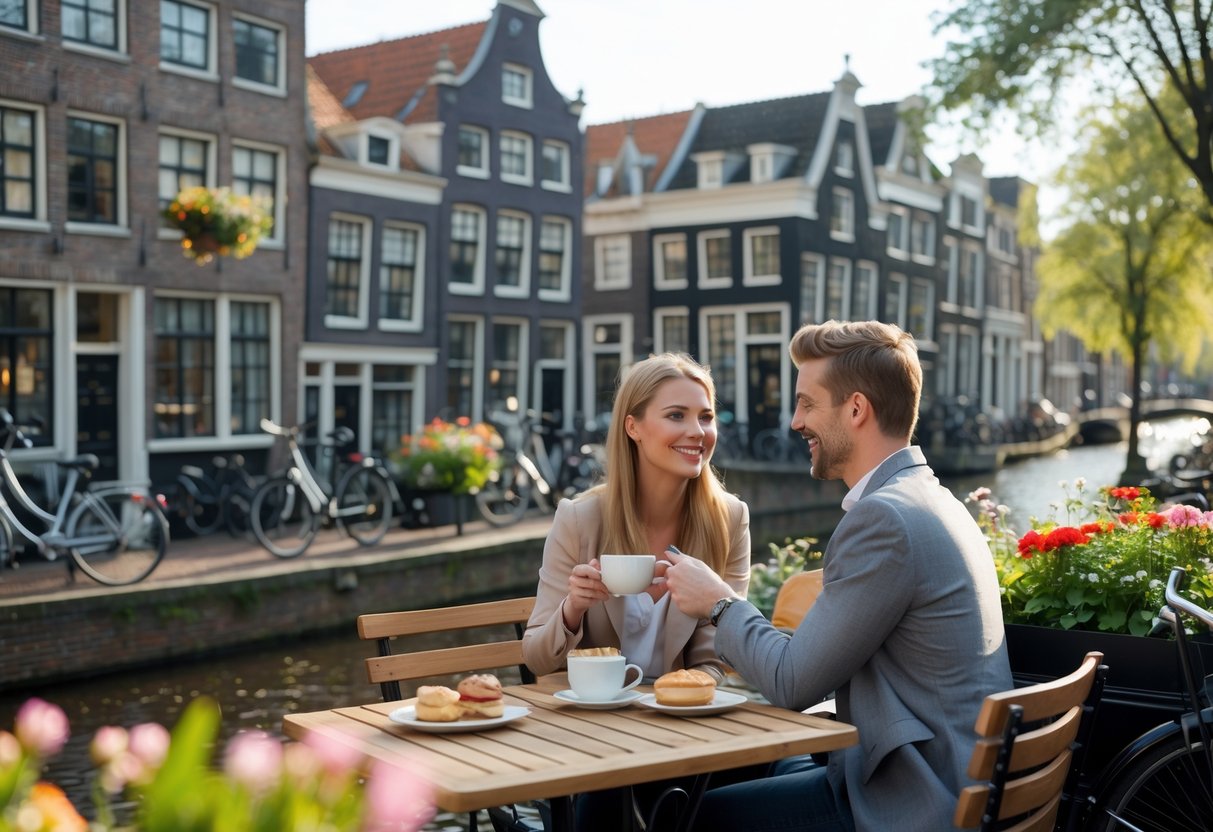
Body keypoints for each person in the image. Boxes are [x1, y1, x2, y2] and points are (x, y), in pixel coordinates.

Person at [662, 320, 1012, 832]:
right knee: (767, 770)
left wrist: (719, 603)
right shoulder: (934, 498)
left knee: (701, 815)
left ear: (855, 409)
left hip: (918, 803)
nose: (795, 421)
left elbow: (790, 683)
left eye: (807, 403)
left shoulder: (884, 519)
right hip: (960, 779)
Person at [521, 352, 751, 830]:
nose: (697, 431)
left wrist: (670, 701)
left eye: (705, 417)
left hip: (679, 736)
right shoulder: (580, 520)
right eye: (676, 415)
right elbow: (537, 657)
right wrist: (573, 608)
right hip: (592, 740)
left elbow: (719, 658)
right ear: (633, 427)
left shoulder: (728, 519)